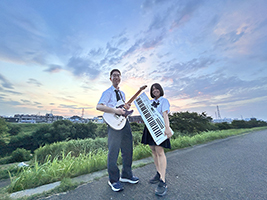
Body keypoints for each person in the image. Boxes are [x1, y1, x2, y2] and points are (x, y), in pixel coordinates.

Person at [96, 69, 139, 192]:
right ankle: (113, 180)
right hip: (113, 124)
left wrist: (125, 108)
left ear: (120, 78)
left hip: (124, 122)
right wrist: (116, 111)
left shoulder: (122, 94)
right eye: (114, 75)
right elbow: (99, 106)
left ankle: (126, 175)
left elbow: (122, 108)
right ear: (110, 78)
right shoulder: (107, 92)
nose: (116, 77)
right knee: (113, 151)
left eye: (118, 76)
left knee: (128, 149)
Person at [141, 83, 172, 196]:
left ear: (160, 90)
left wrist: (167, 127)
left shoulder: (164, 101)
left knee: (160, 151)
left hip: (160, 128)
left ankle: (163, 181)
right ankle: (158, 173)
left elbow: (165, 114)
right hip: (150, 128)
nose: (155, 91)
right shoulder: (149, 102)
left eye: (157, 89)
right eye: (153, 89)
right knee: (153, 151)